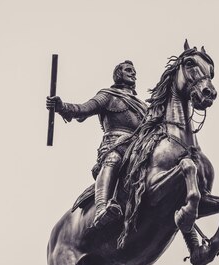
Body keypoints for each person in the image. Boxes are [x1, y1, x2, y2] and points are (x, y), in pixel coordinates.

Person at [46, 60, 147, 229]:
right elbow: (83, 109)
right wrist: (61, 106)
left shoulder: (143, 106)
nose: (133, 73)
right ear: (118, 75)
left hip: (140, 148)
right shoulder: (108, 95)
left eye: (134, 71)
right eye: (128, 70)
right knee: (113, 159)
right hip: (115, 144)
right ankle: (101, 209)